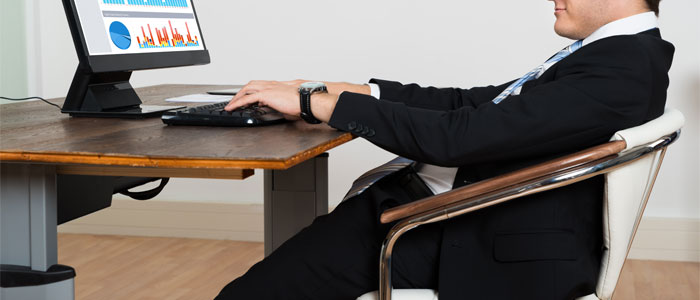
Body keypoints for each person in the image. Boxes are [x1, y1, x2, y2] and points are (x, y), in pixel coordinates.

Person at [215, 0, 674, 299]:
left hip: (466, 235)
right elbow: (474, 104)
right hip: (465, 217)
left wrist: (313, 104)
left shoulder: (622, 66)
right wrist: (340, 90)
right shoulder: (619, 55)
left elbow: (457, 137)